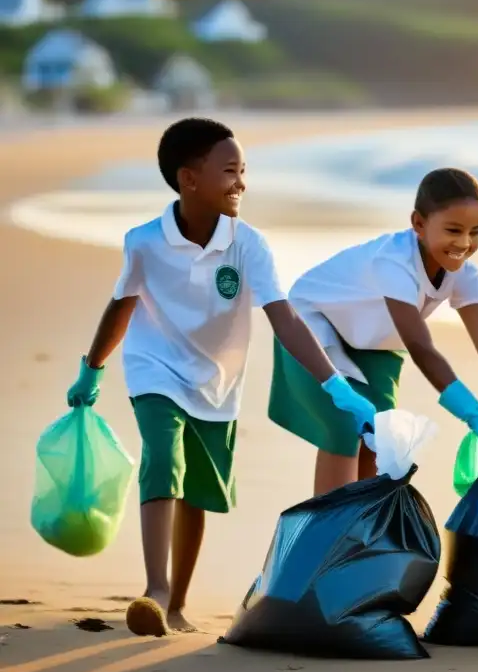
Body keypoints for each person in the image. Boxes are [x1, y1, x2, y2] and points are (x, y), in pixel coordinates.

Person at [66, 118, 375, 636]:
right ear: (189, 179)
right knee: (164, 458)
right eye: (230, 171)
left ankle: (178, 603)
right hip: (155, 366)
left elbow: (286, 320)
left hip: (217, 382)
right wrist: (91, 368)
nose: (241, 183)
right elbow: (121, 306)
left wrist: (334, 383)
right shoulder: (143, 241)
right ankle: (155, 590)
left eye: (244, 171)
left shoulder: (248, 244)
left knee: (199, 493)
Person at [270, 167, 478, 496]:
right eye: (453, 230)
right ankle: (326, 533)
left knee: (380, 436)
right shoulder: (395, 262)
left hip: (371, 340)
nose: (465, 243)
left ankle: (360, 531)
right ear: (418, 224)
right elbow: (420, 346)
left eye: (475, 232)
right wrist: (476, 416)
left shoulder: (464, 272)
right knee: (346, 425)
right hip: (314, 320)